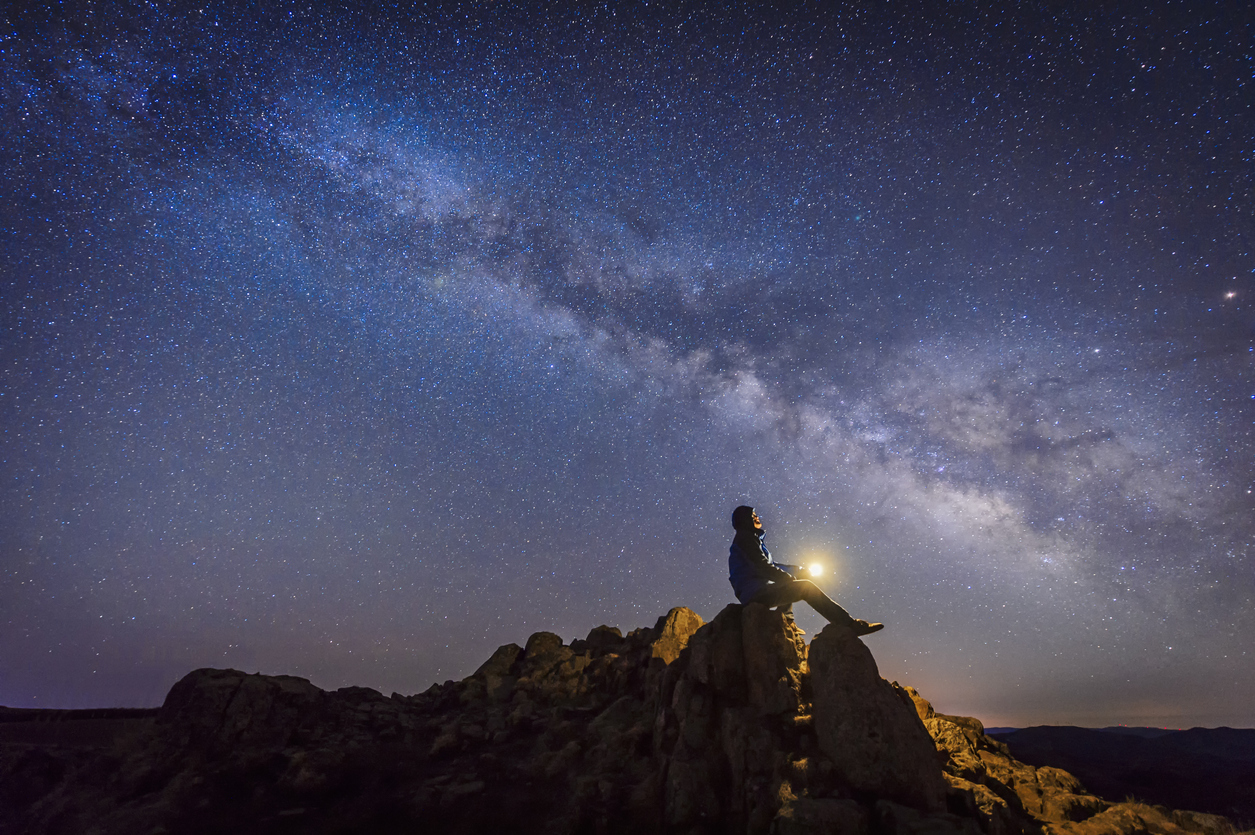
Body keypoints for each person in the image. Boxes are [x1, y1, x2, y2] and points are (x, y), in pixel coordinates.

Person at [728, 505, 883, 636]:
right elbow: (762, 567)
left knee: (790, 579)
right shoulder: (745, 539)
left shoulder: (749, 539)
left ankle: (787, 620)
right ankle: (849, 624)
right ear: (745, 519)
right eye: (753, 515)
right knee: (805, 587)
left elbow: (770, 565)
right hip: (755, 592)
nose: (757, 517)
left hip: (756, 589)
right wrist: (789, 578)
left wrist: (798, 571)